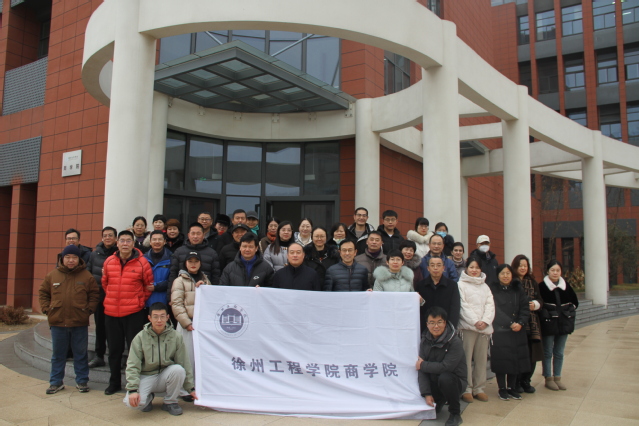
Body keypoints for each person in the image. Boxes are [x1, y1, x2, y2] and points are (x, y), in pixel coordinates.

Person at [39, 245, 100, 394]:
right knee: (58, 355)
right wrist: (47, 309)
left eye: (74, 257)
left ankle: (82, 381)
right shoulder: (52, 275)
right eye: (67, 257)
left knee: (80, 354)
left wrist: (88, 311)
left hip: (79, 322)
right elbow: (43, 293)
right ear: (62, 258)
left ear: (79, 259)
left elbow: (94, 295)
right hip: (58, 322)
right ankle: (56, 382)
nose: (71, 260)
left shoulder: (86, 276)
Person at [102, 230, 153, 395]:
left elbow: (148, 286)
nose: (125, 244)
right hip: (111, 313)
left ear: (133, 243)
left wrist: (138, 301)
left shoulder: (142, 262)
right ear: (117, 243)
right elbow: (105, 283)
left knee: (135, 350)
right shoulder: (109, 261)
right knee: (114, 350)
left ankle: (134, 384)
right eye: (122, 241)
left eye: (128, 241)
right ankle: (114, 382)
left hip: (133, 313)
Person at [124, 302, 197, 416]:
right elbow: (133, 364)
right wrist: (133, 390)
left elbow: (184, 362)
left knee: (178, 370)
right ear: (149, 318)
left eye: (162, 316)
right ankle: (148, 397)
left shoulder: (176, 336)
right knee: (132, 403)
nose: (159, 320)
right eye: (155, 317)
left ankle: (170, 402)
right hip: (146, 376)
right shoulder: (140, 337)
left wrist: (190, 388)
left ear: (167, 317)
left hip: (165, 375)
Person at [416, 307, 466, 426]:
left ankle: (455, 414)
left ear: (445, 323)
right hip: (434, 379)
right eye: (432, 323)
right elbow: (420, 369)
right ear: (427, 324)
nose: (436, 326)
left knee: (445, 378)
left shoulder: (455, 342)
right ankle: (439, 400)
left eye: (439, 322)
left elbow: (446, 367)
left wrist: (423, 365)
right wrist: (426, 393)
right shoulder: (424, 340)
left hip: (455, 381)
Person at [489, 264, 530, 401]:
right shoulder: (493, 290)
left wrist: (521, 322)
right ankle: (502, 389)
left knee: (515, 359)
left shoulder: (518, 289)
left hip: (517, 330)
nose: (505, 276)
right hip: (501, 330)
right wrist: (510, 323)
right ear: (498, 275)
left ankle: (512, 388)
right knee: (501, 361)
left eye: (508, 273)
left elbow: (525, 307)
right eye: (502, 273)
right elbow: (495, 309)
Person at [457, 257, 495, 403]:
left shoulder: (485, 286)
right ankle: (466, 388)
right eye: (471, 267)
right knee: (466, 359)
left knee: (481, 359)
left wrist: (485, 321)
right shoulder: (460, 285)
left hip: (484, 328)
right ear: (466, 268)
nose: (474, 270)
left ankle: (479, 388)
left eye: (477, 268)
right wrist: (475, 321)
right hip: (468, 327)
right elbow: (463, 305)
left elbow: (490, 305)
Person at [539, 260, 578, 391]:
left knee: (559, 352)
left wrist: (569, 311)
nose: (555, 273)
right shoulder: (542, 287)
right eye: (552, 270)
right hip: (548, 324)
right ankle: (548, 378)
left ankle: (557, 377)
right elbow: (539, 303)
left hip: (563, 324)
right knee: (547, 352)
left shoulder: (566, 286)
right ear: (548, 271)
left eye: (558, 270)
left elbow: (575, 302)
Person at [171, 251, 212, 372]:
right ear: (185, 263)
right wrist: (186, 323)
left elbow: (211, 299)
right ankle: (186, 382)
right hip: (187, 325)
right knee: (186, 357)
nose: (193, 264)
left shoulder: (205, 279)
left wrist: (205, 287)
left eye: (196, 261)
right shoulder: (179, 281)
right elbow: (176, 304)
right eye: (190, 261)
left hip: (202, 325)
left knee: (201, 357)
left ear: (200, 263)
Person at [511, 254, 543, 394]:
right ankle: (517, 381)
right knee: (519, 354)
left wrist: (535, 305)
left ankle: (526, 380)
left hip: (532, 323)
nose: (523, 268)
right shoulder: (512, 282)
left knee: (532, 354)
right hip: (518, 322)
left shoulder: (533, 282)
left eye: (525, 266)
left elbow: (540, 300)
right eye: (520, 266)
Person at [86, 226, 118, 369]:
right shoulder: (95, 254)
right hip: (99, 296)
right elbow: (88, 273)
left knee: (114, 329)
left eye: (110, 235)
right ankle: (99, 356)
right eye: (105, 235)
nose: (107, 238)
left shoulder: (120, 253)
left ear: (115, 238)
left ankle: (114, 357)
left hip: (115, 297)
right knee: (100, 328)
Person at [168, 222, 220, 289]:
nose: (195, 236)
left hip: (204, 290)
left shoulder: (212, 253)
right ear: (188, 235)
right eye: (193, 233)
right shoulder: (179, 251)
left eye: (198, 234)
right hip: (183, 291)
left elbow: (215, 277)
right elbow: (173, 274)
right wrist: (170, 293)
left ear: (203, 235)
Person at [415, 257, 460, 333]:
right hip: (425, 328)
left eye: (438, 265)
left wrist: (451, 327)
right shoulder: (421, 285)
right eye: (432, 265)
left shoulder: (452, 285)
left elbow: (455, 308)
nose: (435, 268)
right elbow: (418, 309)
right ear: (428, 268)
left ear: (443, 268)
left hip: (446, 327)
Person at [144, 230, 173, 309]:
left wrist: (157, 286)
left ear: (164, 242)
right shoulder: (143, 259)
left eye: (160, 239)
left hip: (164, 300)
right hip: (146, 301)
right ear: (150, 242)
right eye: (154, 239)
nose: (157, 242)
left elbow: (173, 279)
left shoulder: (171, 258)